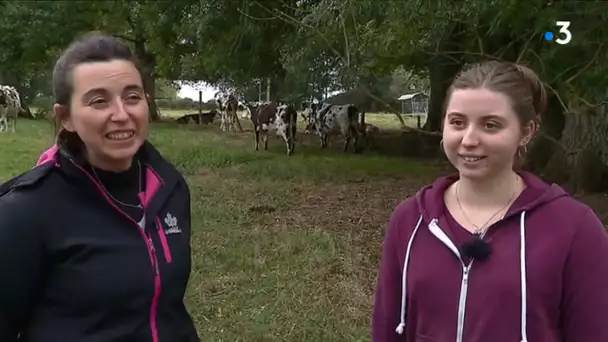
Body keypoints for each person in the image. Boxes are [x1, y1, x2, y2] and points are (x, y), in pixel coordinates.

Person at [371, 60, 608, 341]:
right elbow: (387, 329)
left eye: (491, 125)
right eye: (457, 122)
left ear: (526, 132)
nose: (469, 139)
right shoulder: (411, 219)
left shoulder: (574, 229)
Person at [0, 32, 200, 341]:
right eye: (99, 101)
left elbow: (168, 310)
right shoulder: (25, 212)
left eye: (132, 97)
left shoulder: (169, 188)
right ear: (65, 117)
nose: (121, 115)